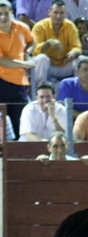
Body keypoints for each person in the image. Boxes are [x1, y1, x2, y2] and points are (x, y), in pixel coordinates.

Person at [0, 0, 36, 140]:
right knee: (2, 120)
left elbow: (32, 41)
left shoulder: (22, 27)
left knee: (20, 119)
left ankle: (18, 153)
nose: (3, 17)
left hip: (19, 81)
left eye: (6, 13)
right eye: (0, 14)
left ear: (12, 13)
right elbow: (2, 60)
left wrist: (29, 52)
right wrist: (25, 63)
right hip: (1, 81)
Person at [31, 0, 82, 86]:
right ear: (49, 12)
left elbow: (77, 47)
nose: (58, 16)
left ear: (65, 14)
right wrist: (48, 43)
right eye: (55, 12)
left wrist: (73, 53)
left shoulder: (70, 26)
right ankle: (39, 89)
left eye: (61, 13)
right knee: (41, 58)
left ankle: (78, 89)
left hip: (65, 63)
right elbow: (34, 51)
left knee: (80, 60)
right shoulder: (39, 26)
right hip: (48, 65)